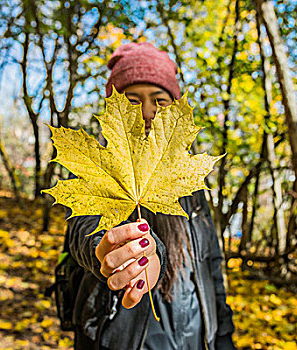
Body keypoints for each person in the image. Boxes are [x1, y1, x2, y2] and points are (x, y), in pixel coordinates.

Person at [67, 42, 236, 350]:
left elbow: (212, 266)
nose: (146, 112)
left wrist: (222, 337)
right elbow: (84, 232)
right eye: (132, 101)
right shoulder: (95, 168)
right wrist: (122, 250)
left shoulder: (190, 182)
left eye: (159, 100)